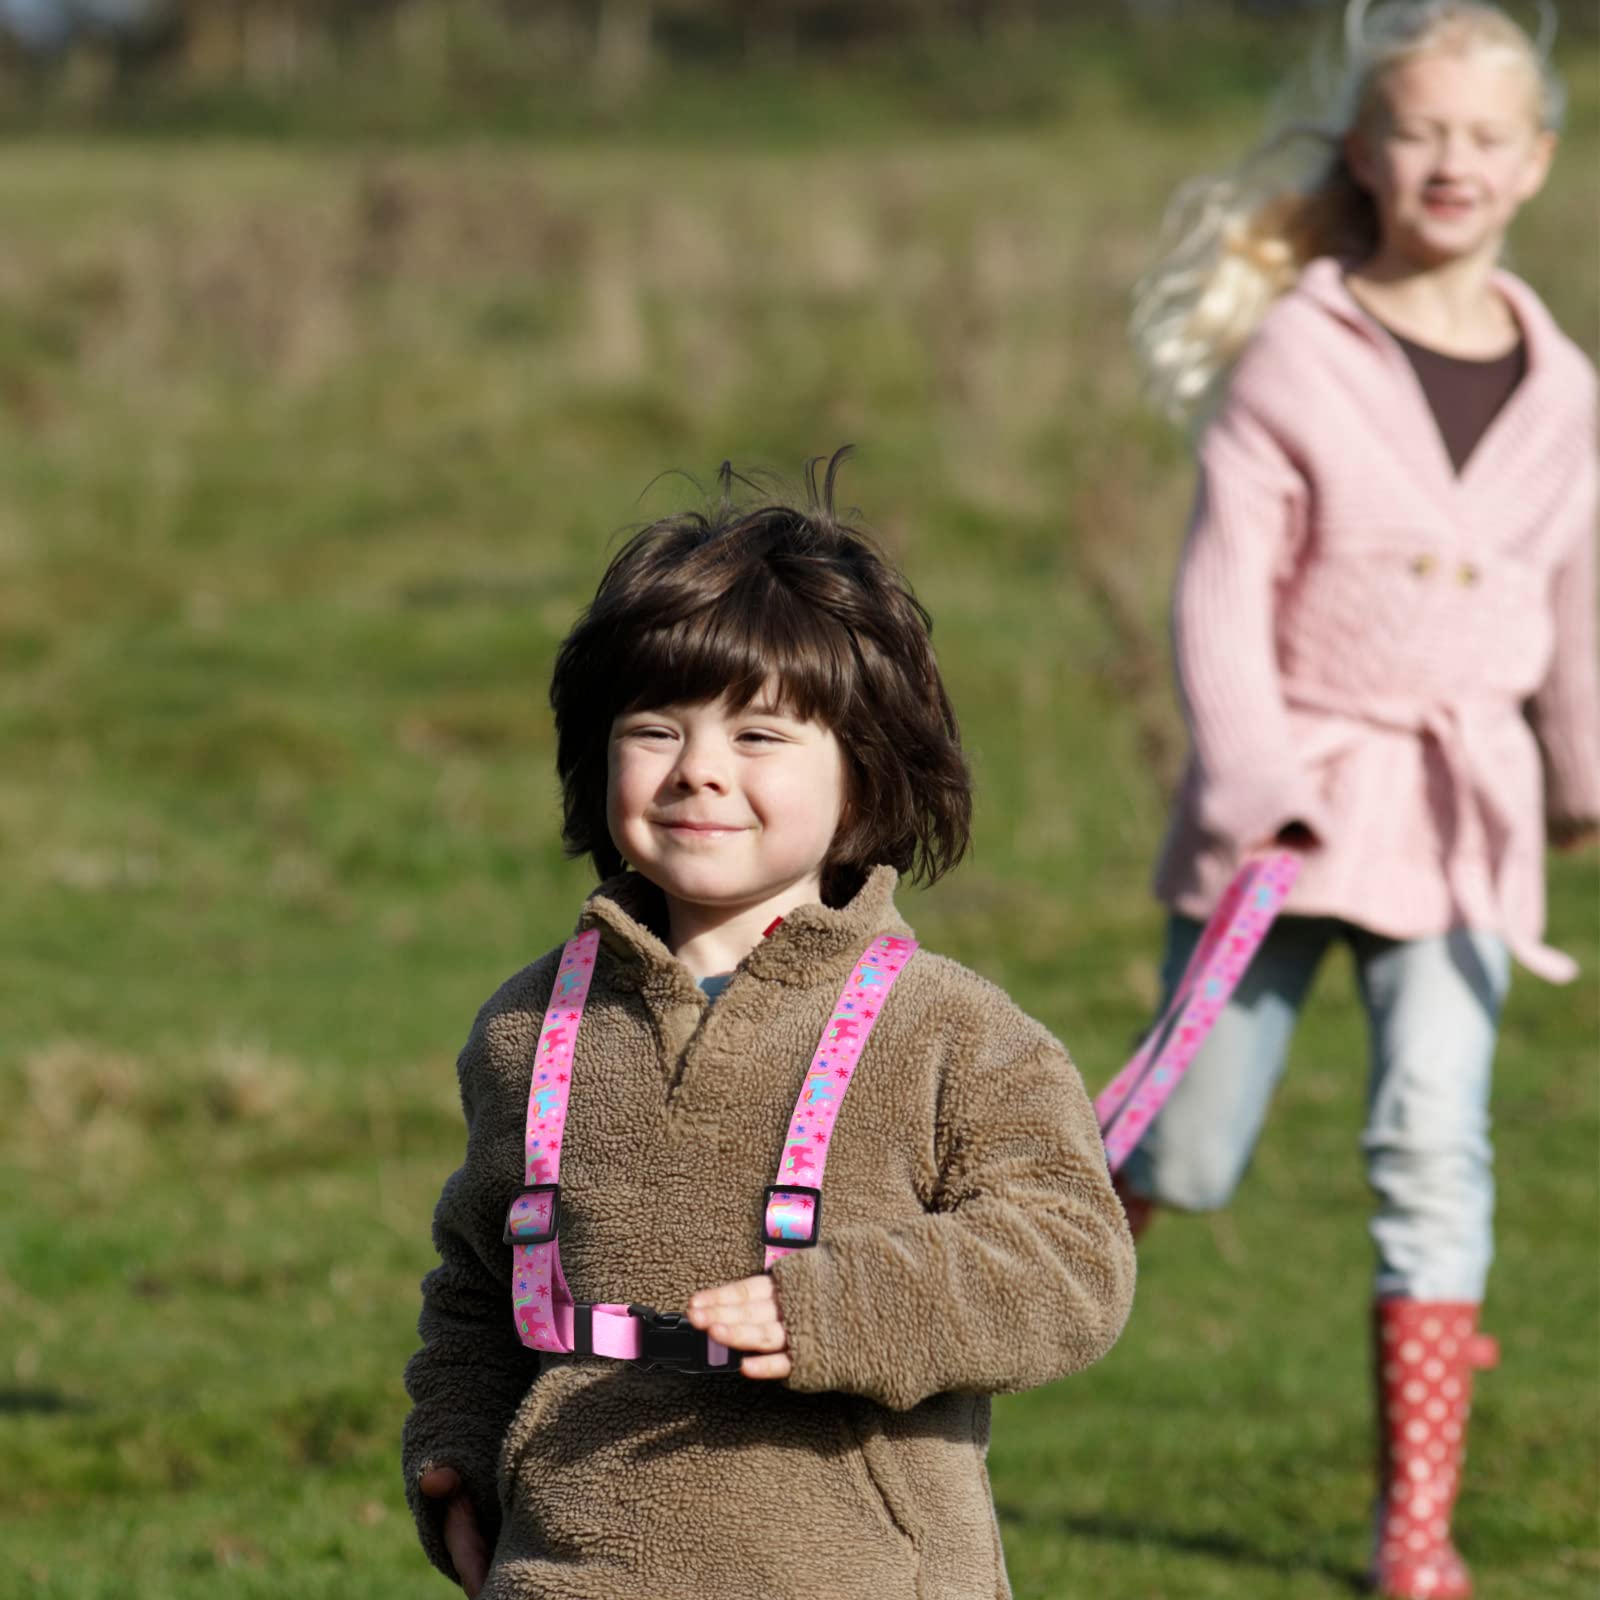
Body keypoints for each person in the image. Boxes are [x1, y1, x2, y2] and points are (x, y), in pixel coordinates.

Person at [400, 458, 1137, 1600]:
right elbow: (478, 1277)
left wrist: (844, 1307)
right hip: (570, 1569)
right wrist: (452, 1438)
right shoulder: (528, 1029)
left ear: (864, 774)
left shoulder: (952, 1033)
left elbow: (1071, 1262)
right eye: (655, 728)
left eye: (757, 735)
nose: (698, 771)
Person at [1123, 3, 1598, 1596]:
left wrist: (1582, 771)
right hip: (1293, 816)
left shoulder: (1567, 391)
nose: (1452, 161)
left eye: (1485, 136)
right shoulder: (1295, 359)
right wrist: (1260, 785)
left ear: (1534, 162)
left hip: (1465, 829)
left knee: (1433, 1146)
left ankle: (1418, 1533)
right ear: (1366, 153)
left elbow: (1576, 605)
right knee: (1190, 1150)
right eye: (1420, 130)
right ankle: (988, 1318)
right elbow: (1220, 598)